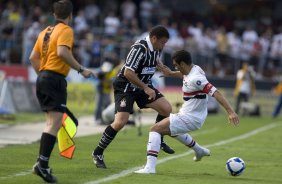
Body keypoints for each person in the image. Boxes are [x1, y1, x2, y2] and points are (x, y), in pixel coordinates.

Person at [134, 50, 240, 174]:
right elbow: (184, 75)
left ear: (183, 64)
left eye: (176, 65)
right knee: (172, 132)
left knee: (155, 129)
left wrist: (230, 112)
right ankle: (199, 150)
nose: (175, 67)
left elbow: (216, 93)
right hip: (192, 114)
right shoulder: (195, 69)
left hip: (190, 117)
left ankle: (150, 168)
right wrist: (170, 73)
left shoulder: (196, 79)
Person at [92, 25, 175, 169]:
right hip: (126, 87)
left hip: (142, 85)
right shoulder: (139, 48)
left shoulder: (156, 48)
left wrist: (161, 67)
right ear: (154, 38)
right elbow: (128, 73)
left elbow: (153, 60)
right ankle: (97, 153)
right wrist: (146, 88)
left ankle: (158, 138)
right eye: (163, 42)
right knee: (120, 122)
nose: (164, 45)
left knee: (166, 108)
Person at [29, 0, 94, 183]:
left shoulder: (44, 32)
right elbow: (62, 53)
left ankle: (41, 164)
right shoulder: (65, 30)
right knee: (54, 124)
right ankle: (42, 166)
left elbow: (32, 57)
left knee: (52, 122)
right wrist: (82, 69)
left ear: (54, 13)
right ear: (70, 15)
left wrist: (42, 74)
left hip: (43, 77)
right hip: (54, 78)